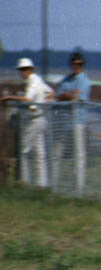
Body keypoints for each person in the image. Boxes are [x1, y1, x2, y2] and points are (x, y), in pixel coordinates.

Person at [1, 58, 53, 186]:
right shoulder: (39, 81)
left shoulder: (33, 83)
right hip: (40, 118)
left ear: (30, 70)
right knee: (40, 153)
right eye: (21, 70)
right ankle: (42, 184)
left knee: (23, 150)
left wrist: (9, 97)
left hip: (34, 120)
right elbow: (51, 92)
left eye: (24, 70)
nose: (22, 72)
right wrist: (44, 103)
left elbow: (26, 99)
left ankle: (24, 182)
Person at [52, 51, 92, 191]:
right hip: (63, 121)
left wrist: (66, 95)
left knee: (78, 153)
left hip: (78, 121)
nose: (76, 66)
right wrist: (66, 95)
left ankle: (79, 186)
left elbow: (76, 97)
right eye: (74, 64)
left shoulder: (84, 81)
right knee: (57, 151)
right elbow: (58, 96)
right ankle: (54, 184)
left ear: (82, 64)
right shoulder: (66, 80)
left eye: (79, 64)